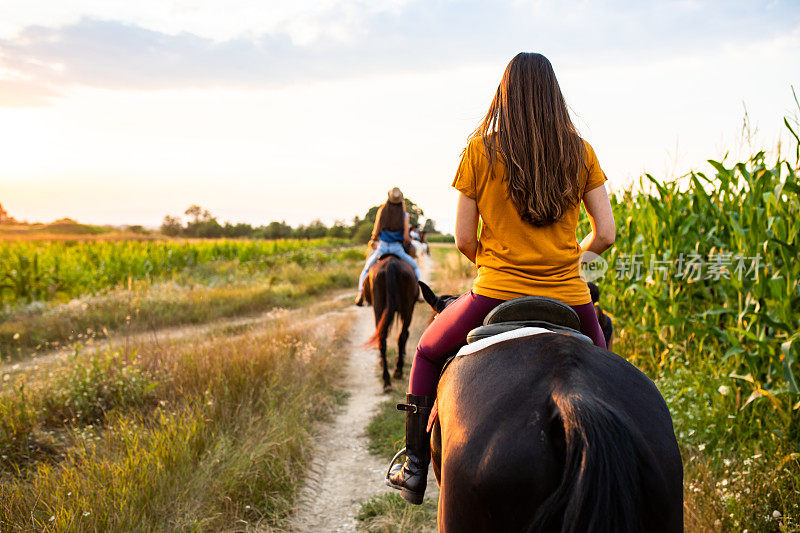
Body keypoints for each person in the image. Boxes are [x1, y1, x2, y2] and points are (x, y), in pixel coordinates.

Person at [387, 52, 616, 504]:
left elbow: (463, 238)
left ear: (504, 94)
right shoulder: (580, 152)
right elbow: (605, 233)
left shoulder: (478, 152)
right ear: (554, 95)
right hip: (569, 296)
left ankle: (413, 465)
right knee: (604, 370)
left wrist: (492, 263)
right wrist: (569, 261)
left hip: (495, 291)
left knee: (429, 352)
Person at [355, 187, 422, 306]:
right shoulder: (404, 215)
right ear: (400, 200)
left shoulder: (382, 211)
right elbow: (406, 237)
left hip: (382, 248)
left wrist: (374, 240)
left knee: (366, 269)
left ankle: (360, 294)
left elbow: (375, 232)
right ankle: (420, 294)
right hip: (397, 249)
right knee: (415, 267)